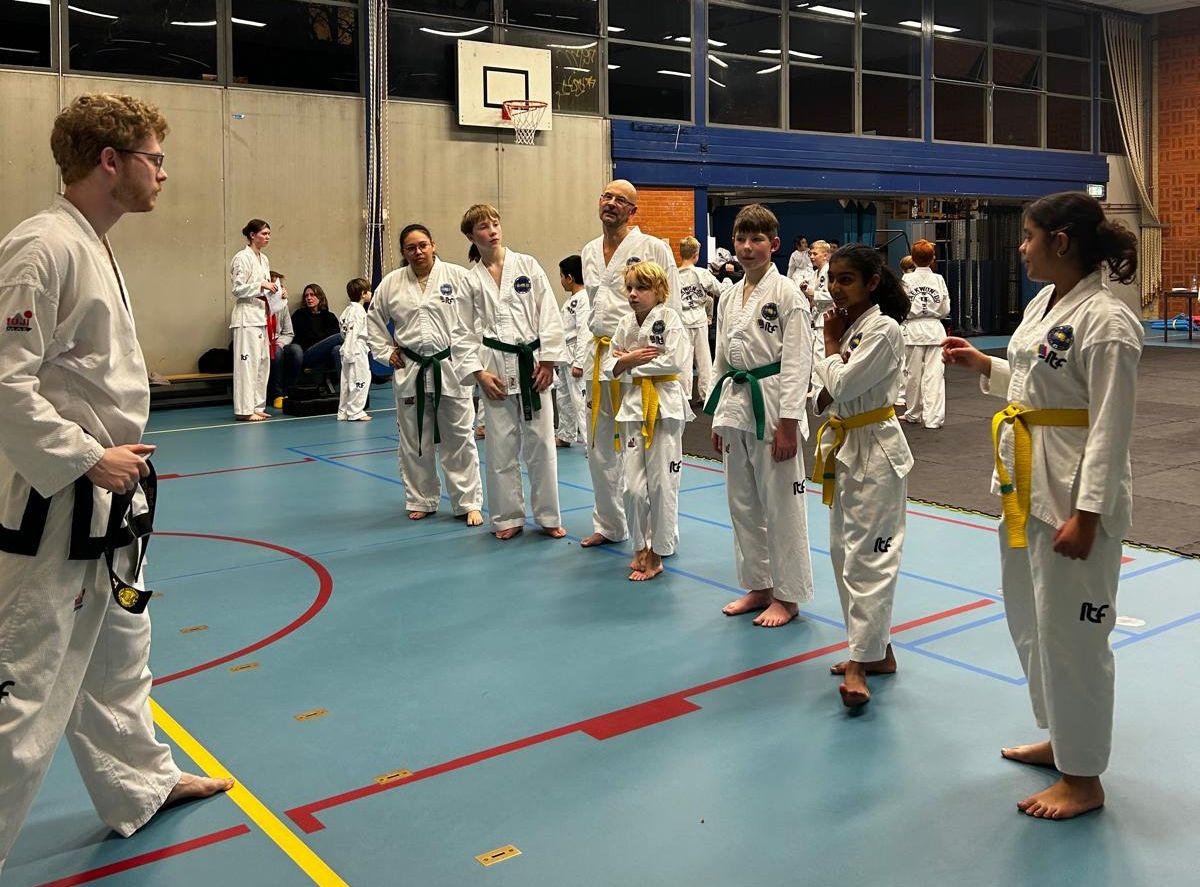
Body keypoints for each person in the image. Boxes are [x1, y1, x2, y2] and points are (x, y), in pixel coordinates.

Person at [0, 93, 231, 875]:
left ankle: (139, 782)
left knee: (119, 656)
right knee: (26, 686)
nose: (163, 173)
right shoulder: (42, 247)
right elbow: (5, 382)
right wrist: (85, 457)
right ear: (110, 160)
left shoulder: (90, 241)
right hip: (54, 504)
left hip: (106, 496)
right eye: (154, 159)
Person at [943, 192, 1142, 820]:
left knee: (1074, 637)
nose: (1022, 247)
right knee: (1031, 622)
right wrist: (986, 365)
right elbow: (1038, 386)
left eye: (1028, 237)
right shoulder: (1043, 303)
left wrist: (1089, 512)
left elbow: (1110, 424)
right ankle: (1062, 740)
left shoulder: (1108, 321)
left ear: (1060, 241)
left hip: (1074, 493)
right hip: (1024, 482)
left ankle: (1084, 779)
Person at [811, 245, 913, 707]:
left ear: (872, 283)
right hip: (847, 445)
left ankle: (859, 661)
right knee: (842, 553)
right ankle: (878, 651)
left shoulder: (884, 329)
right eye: (832, 278)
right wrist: (827, 381)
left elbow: (843, 382)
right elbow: (827, 390)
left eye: (846, 279)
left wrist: (830, 346)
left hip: (877, 450)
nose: (835, 287)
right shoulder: (848, 325)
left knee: (868, 559)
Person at [706, 204, 815, 628]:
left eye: (756, 240)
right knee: (742, 503)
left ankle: (788, 596)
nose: (747, 247)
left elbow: (798, 362)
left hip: (772, 404)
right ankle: (759, 585)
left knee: (781, 506)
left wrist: (789, 423)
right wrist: (718, 415)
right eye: (741, 239)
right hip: (736, 401)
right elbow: (720, 358)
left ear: (774, 244)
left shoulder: (787, 294)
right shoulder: (729, 295)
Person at [579, 179, 682, 548]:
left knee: (647, 453)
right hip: (600, 356)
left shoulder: (653, 247)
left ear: (633, 211)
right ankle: (609, 524)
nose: (611, 203)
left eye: (620, 200)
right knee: (598, 444)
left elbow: (671, 307)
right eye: (606, 196)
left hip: (641, 359)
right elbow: (591, 309)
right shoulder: (589, 250)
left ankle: (657, 536)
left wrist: (659, 360)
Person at [458, 204, 568, 540]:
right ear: (470, 235)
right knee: (500, 448)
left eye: (495, 223)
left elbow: (548, 312)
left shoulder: (527, 265)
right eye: (483, 227)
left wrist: (548, 361)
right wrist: (478, 373)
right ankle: (507, 518)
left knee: (542, 445)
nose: (492, 230)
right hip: (494, 367)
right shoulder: (470, 280)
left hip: (533, 363)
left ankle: (548, 515)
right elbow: (462, 331)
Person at [365, 224, 484, 525]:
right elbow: (374, 321)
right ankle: (421, 499)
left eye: (422, 245)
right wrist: (385, 353)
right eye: (411, 248)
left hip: (451, 366)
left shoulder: (458, 277)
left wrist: (472, 356)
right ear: (403, 252)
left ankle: (468, 502)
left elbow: (479, 318)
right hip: (411, 368)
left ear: (433, 244)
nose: (418, 252)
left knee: (459, 437)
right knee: (415, 440)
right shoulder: (391, 284)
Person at [604, 261, 692, 581]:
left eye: (641, 288)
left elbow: (675, 361)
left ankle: (657, 551)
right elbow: (609, 366)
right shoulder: (625, 323)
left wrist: (628, 363)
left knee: (662, 483)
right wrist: (629, 359)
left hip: (665, 406)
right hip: (632, 407)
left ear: (659, 291)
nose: (633, 294)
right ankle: (639, 543)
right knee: (632, 488)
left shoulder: (670, 319)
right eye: (629, 288)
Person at [901, 239, 951, 429]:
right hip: (935, 330)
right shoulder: (938, 279)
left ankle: (914, 413)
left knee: (912, 375)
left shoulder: (906, 280)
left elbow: (901, 306)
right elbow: (945, 308)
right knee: (935, 375)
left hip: (913, 331)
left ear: (912, 259)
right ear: (932, 259)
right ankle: (934, 419)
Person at [229, 218, 276, 421]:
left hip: (261, 316)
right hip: (246, 318)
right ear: (252, 235)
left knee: (262, 364)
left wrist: (277, 292)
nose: (267, 237)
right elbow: (237, 289)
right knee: (246, 366)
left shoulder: (264, 259)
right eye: (264, 234)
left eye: (269, 234)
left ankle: (257, 406)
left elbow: (265, 289)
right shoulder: (241, 258)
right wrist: (261, 285)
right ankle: (244, 410)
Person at [677, 236, 722, 404]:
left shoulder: (672, 276)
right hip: (699, 318)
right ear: (696, 254)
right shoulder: (702, 273)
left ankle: (683, 397)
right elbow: (720, 290)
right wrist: (727, 281)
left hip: (681, 320)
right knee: (704, 361)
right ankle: (706, 395)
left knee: (683, 360)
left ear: (681, 254)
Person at [555, 254, 590, 447]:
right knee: (564, 398)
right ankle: (565, 434)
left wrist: (579, 362)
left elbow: (584, 331)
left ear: (570, 277)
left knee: (580, 401)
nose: (561, 281)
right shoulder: (573, 300)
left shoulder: (583, 299)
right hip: (565, 355)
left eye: (561, 276)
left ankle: (591, 443)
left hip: (576, 353)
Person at [290, 283, 343, 383]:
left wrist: (323, 340)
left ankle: (344, 387)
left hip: (327, 354)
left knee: (337, 349)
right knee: (341, 336)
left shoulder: (329, 316)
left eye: (312, 295)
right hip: (309, 354)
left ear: (320, 297)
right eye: (306, 296)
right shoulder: (299, 315)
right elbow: (300, 338)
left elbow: (332, 335)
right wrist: (323, 340)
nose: (309, 298)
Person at [337, 278, 373, 422]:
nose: (371, 293)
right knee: (361, 380)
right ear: (363, 294)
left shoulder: (347, 310)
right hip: (355, 350)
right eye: (369, 291)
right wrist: (350, 352)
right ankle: (355, 411)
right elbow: (352, 333)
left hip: (348, 348)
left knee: (346, 382)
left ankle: (344, 411)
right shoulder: (358, 312)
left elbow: (343, 332)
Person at [266, 270, 296, 409]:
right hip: (263, 343)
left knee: (296, 351)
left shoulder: (282, 306)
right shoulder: (257, 304)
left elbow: (289, 332)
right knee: (276, 352)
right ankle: (277, 394)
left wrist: (279, 343)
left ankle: (290, 392)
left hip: (279, 342)